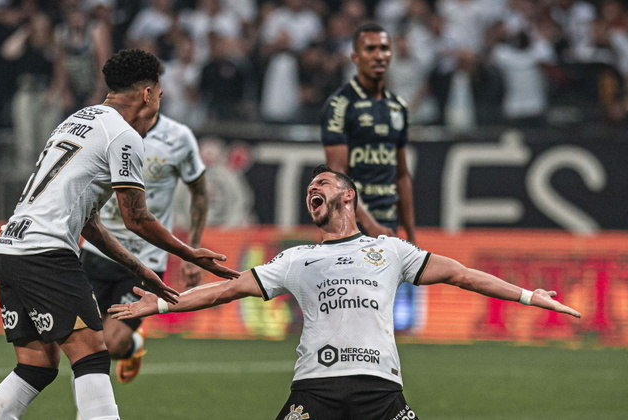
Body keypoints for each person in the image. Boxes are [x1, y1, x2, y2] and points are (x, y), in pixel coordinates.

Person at [109, 164, 582, 419]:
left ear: (348, 195)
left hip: (381, 390)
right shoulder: (296, 258)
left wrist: (525, 295)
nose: (311, 189)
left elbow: (460, 273)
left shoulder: (390, 250)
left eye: (322, 183)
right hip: (317, 387)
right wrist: (163, 302)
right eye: (309, 187)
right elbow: (226, 291)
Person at [0, 49, 239, 420]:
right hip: (45, 252)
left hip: (9, 248)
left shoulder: (76, 120)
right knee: (93, 355)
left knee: (36, 366)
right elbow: (135, 217)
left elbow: (91, 222)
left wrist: (139, 268)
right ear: (148, 94)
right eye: (160, 95)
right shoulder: (123, 133)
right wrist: (190, 253)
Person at [79, 108, 208, 384]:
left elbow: (199, 193)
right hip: (97, 251)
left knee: (112, 344)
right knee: (82, 340)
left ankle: (132, 346)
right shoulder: (103, 127)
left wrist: (192, 252)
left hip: (145, 260)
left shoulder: (178, 137)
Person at [320, 23, 418, 331]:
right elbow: (337, 177)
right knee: (350, 310)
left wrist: (411, 235)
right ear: (355, 56)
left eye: (384, 48)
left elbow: (402, 174)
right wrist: (368, 223)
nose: (379, 55)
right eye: (370, 49)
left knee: (380, 316)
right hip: (351, 226)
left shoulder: (398, 107)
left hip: (387, 224)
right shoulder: (340, 104)